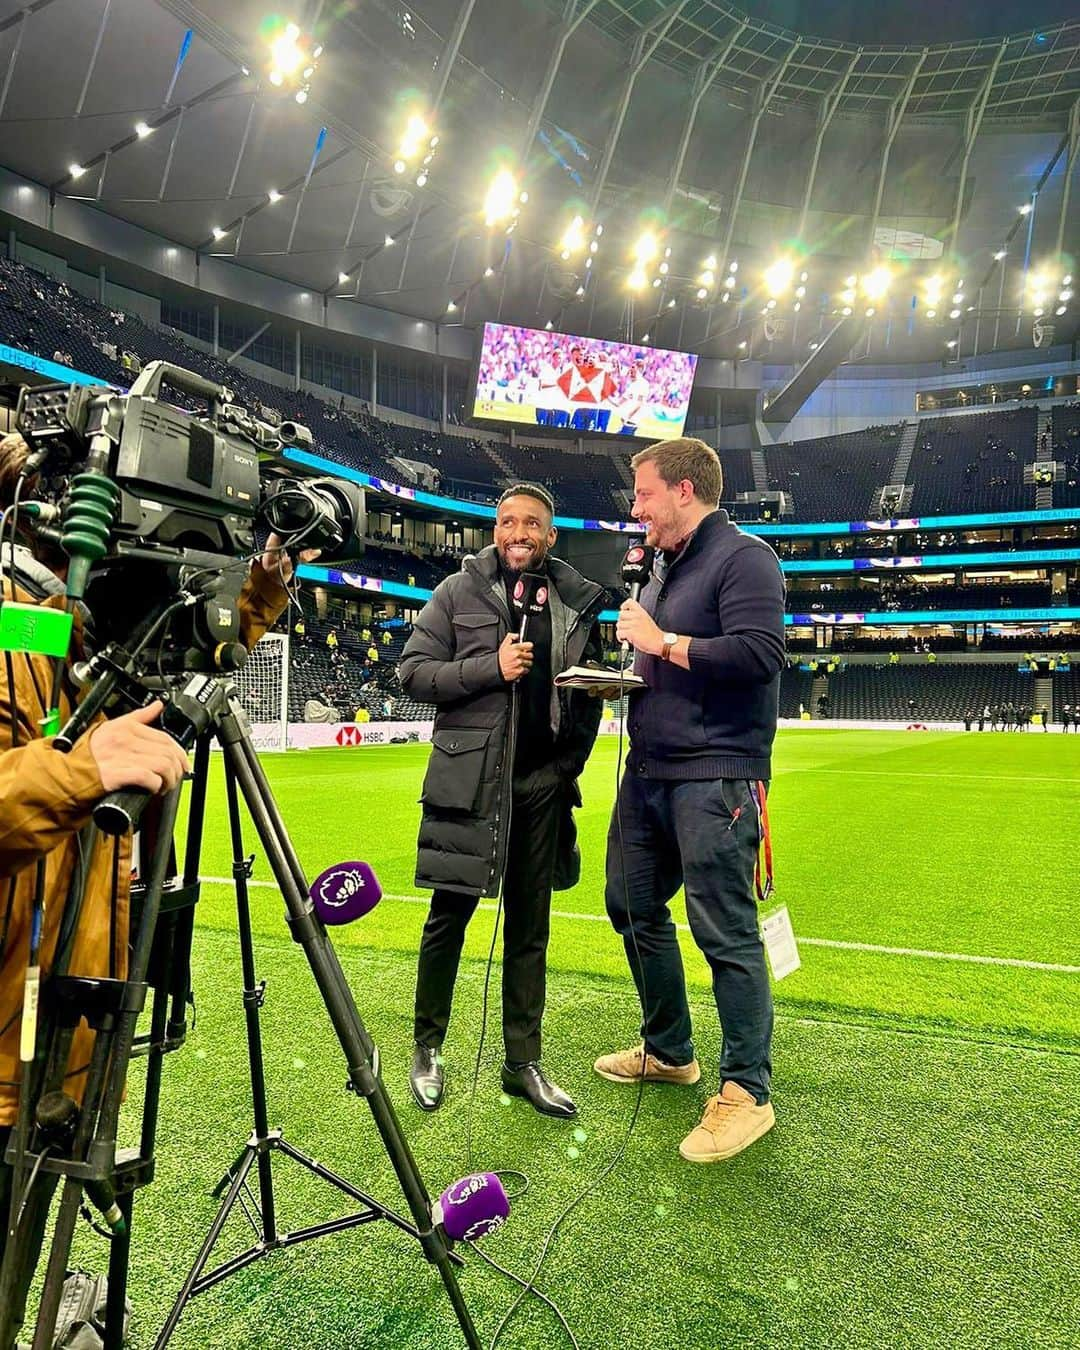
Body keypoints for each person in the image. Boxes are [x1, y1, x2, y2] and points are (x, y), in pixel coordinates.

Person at [0, 424, 316, 1349]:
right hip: (13, 1036)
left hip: (63, 1009)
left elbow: (168, 658)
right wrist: (75, 772)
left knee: (29, 1217)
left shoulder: (40, 611)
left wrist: (255, 584)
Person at [593, 437, 785, 1163]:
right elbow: (661, 654)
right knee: (628, 902)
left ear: (682, 490)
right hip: (649, 768)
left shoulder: (745, 557)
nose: (635, 509)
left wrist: (664, 641)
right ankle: (670, 1048)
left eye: (643, 495)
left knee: (724, 928)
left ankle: (747, 1093)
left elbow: (761, 653)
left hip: (717, 773)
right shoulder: (661, 567)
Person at [399, 483, 605, 1119]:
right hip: (470, 787)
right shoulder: (457, 591)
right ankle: (426, 1049)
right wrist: (490, 667)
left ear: (549, 533)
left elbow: (588, 698)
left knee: (530, 930)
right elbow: (412, 672)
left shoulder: (574, 599)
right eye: (507, 522)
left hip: (541, 791)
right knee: (448, 922)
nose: (518, 532)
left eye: (531, 524)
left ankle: (523, 1064)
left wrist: (565, 768)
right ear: (495, 530)